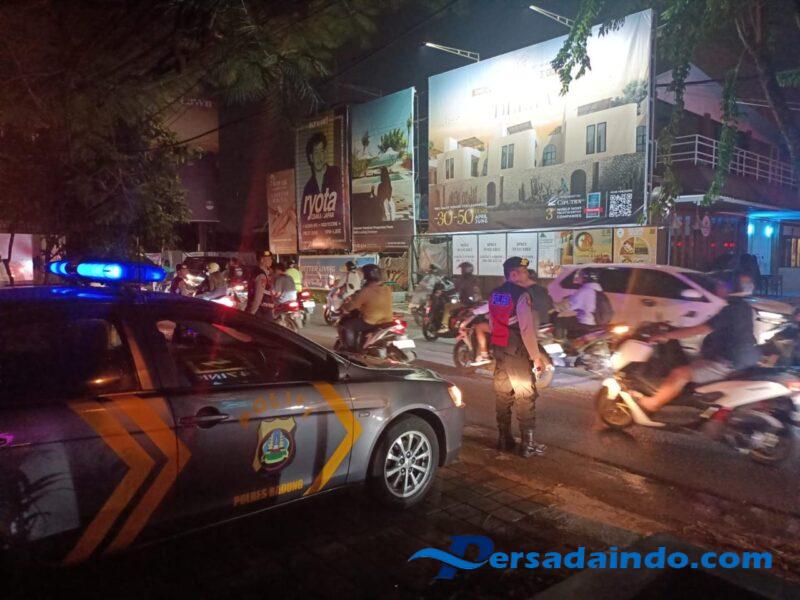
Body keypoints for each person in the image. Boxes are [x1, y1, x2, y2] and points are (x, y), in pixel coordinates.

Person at [636, 275, 759, 413]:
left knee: (679, 373)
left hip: (728, 361)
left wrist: (665, 335)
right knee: (687, 360)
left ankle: (653, 403)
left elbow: (700, 329)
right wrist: (672, 329)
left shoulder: (731, 310)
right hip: (742, 357)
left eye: (721, 285)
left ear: (731, 289)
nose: (717, 288)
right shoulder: (743, 307)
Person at [489, 256, 546, 458]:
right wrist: (536, 357)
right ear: (513, 274)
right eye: (523, 272)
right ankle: (527, 445)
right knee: (525, 395)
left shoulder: (495, 293)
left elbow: (492, 321)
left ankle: (504, 439)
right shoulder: (521, 295)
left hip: (500, 349)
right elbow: (526, 329)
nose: (526, 275)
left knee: (502, 394)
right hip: (516, 351)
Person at [340, 264, 393, 352]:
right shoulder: (387, 288)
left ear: (367, 276)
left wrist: (344, 307)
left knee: (347, 325)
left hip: (372, 322)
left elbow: (352, 305)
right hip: (388, 320)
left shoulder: (366, 290)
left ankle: (351, 350)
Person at [301, 132, 343, 221]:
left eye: (322, 151)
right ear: (311, 157)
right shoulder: (308, 188)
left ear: (326, 153)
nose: (319, 157)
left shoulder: (336, 173)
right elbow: (305, 219)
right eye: (316, 153)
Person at [556, 268, 603, 338]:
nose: (578, 278)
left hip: (585, 324)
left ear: (585, 277)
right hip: (596, 323)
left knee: (559, 321)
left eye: (580, 275)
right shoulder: (598, 289)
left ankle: (559, 341)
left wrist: (556, 305)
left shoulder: (585, 291)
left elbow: (568, 306)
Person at [246, 251, 274, 318]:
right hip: (261, 312)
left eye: (271, 258)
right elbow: (258, 297)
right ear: (262, 260)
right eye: (269, 259)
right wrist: (251, 314)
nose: (271, 260)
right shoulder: (261, 275)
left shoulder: (263, 273)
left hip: (265, 309)